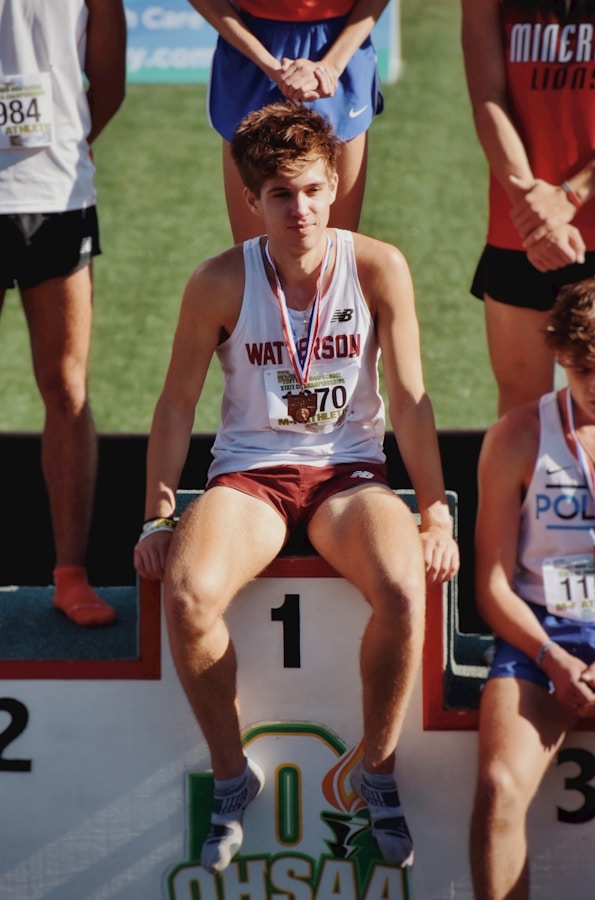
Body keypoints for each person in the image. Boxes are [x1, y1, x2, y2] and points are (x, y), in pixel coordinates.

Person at [134, 101, 459, 874]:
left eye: (313, 189)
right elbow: (176, 403)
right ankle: (230, 776)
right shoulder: (219, 279)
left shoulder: (378, 265)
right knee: (185, 593)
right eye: (280, 194)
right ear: (253, 202)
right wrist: (156, 516)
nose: (301, 208)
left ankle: (375, 771)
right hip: (250, 476)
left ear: (336, 182)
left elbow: (410, 399)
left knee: (407, 587)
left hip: (348, 475)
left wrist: (438, 509)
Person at [470, 276, 595, 899]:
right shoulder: (518, 436)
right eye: (582, 369)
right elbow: (492, 583)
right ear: (559, 357)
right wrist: (554, 657)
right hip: (542, 634)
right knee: (498, 788)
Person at [0, 0, 126, 626]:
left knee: (67, 387)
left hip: (56, 195)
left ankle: (71, 576)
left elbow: (109, 81)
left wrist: (67, 146)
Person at [461, 0, 595, 416]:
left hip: (546, 215)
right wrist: (538, 214)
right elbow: (487, 97)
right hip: (522, 227)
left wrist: (569, 195)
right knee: (524, 411)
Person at [187, 0, 388, 242]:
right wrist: (268, 64)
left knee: (337, 255)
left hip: (341, 45)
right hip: (250, 48)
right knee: (255, 258)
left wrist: (331, 66)